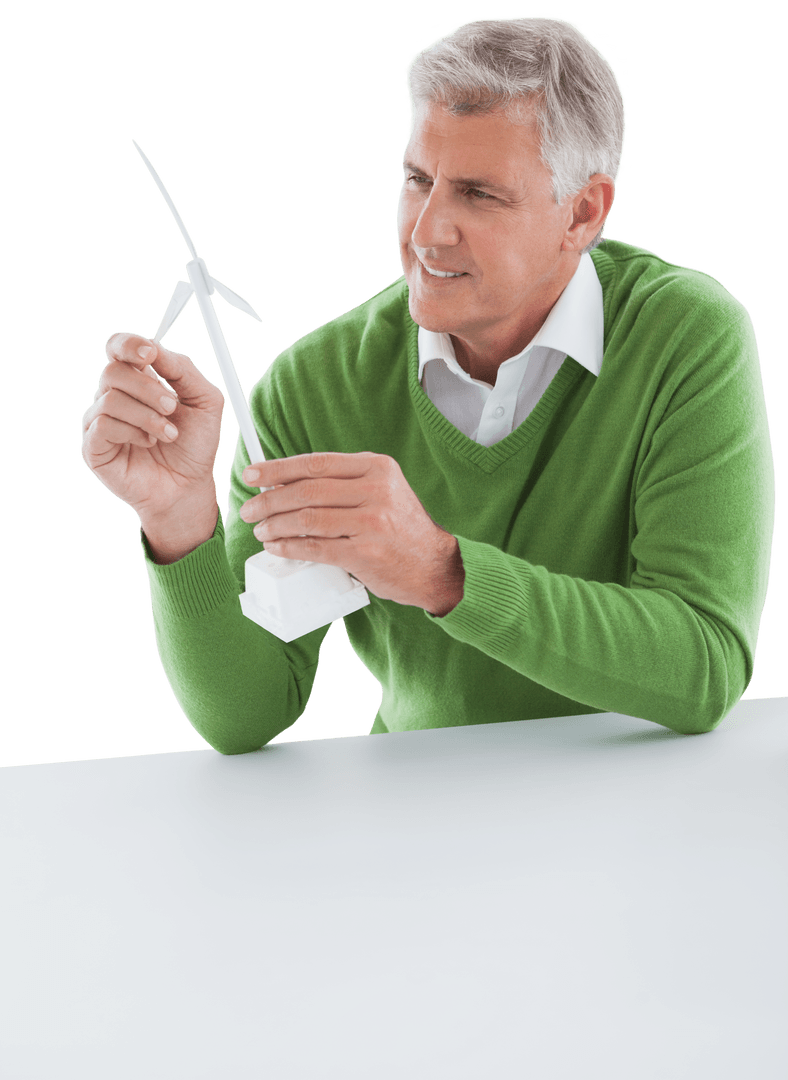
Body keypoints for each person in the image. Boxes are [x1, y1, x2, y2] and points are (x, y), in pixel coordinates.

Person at [80, 15, 775, 753]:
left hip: (650, 807)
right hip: (414, 810)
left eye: (479, 194)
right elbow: (246, 714)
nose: (427, 230)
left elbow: (704, 665)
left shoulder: (686, 339)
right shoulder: (311, 387)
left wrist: (445, 573)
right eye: (418, 180)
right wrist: (178, 519)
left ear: (582, 213)